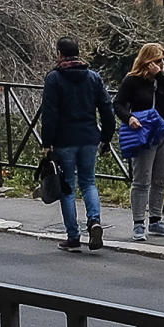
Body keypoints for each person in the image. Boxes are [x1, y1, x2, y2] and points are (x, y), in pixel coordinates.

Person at [36, 38, 115, 251]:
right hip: (89, 137)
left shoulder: (54, 79)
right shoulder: (93, 77)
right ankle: (94, 221)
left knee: (68, 187)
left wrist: (47, 142)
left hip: (64, 140)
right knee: (89, 182)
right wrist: (106, 136)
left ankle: (73, 236)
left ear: (60, 54)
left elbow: (49, 113)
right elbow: (107, 108)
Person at [113, 43, 164, 241]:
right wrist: (129, 118)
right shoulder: (132, 80)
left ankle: (156, 220)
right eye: (157, 61)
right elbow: (118, 104)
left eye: (162, 61)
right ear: (146, 61)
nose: (161, 64)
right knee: (141, 178)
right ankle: (138, 223)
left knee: (160, 179)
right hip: (142, 132)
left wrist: (160, 75)